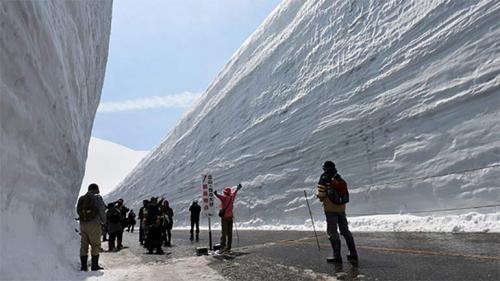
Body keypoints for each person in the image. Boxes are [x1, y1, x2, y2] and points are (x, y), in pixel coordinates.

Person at [316, 161, 358, 263]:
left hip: (330, 209)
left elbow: (321, 194)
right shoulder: (338, 177)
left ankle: (337, 255)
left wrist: (319, 197)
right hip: (341, 208)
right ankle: (353, 253)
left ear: (325, 168)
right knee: (345, 231)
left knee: (332, 232)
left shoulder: (324, 178)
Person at [76, 183, 106, 271]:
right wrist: (104, 221)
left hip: (83, 224)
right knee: (95, 244)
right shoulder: (98, 197)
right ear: (96, 189)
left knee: (84, 245)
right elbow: (102, 210)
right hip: (94, 224)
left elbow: (78, 211)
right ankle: (94, 266)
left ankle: (83, 267)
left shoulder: (82, 198)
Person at [214, 184, 242, 253]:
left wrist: (215, 193)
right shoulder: (232, 197)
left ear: (225, 192)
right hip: (230, 217)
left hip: (225, 218)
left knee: (224, 233)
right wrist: (238, 188)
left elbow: (218, 196)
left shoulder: (224, 198)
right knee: (229, 233)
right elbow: (235, 192)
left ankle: (223, 247)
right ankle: (229, 247)